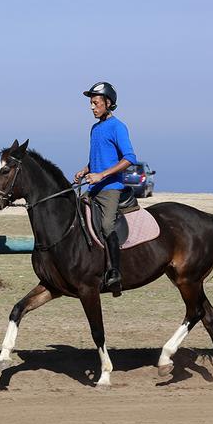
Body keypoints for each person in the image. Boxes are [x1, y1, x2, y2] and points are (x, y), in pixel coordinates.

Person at [73, 81, 136, 294]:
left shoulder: (118, 127)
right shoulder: (95, 128)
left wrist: (101, 175)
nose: (92, 107)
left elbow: (129, 158)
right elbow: (99, 158)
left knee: (107, 226)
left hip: (110, 189)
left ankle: (115, 273)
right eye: (91, 103)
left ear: (108, 103)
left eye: (95, 103)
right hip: (93, 188)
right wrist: (86, 169)